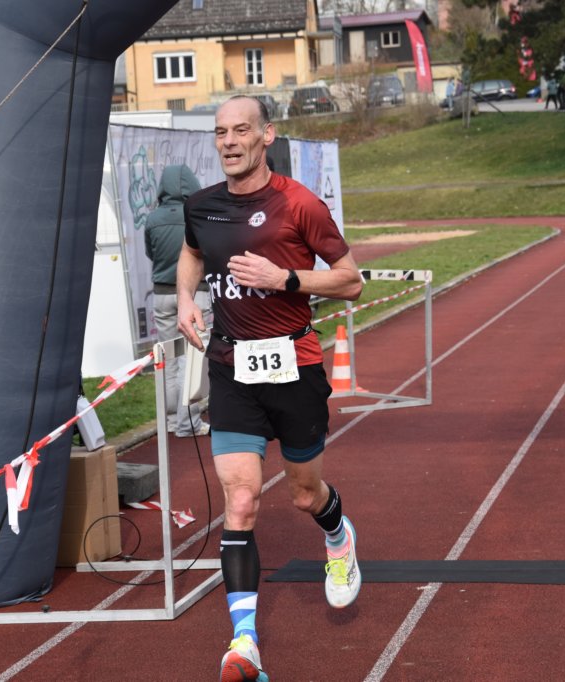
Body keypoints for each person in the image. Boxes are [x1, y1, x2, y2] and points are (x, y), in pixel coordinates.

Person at [177, 95, 364, 681]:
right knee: (240, 501)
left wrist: (285, 277)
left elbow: (351, 281)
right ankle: (245, 643)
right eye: (220, 133)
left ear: (266, 135)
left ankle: (338, 535)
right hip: (232, 369)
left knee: (304, 494)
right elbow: (191, 252)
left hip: (294, 367)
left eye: (241, 131)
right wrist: (185, 298)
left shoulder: (299, 203)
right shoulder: (201, 206)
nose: (229, 142)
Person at [144, 164, 212, 437]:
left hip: (162, 295)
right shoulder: (198, 214)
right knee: (191, 358)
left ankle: (171, 421)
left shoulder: (153, 219)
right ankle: (188, 422)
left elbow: (150, 253)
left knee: (168, 359)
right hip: (195, 293)